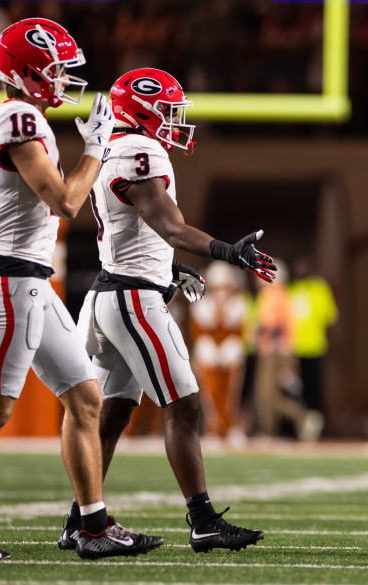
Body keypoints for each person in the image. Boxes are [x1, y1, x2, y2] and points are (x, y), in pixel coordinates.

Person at [57, 67, 275, 554]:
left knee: (111, 415)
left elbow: (137, 232)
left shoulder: (113, 149)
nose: (174, 122)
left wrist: (171, 268)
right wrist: (227, 251)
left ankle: (80, 520)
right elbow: (170, 226)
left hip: (116, 292)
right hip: (134, 300)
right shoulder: (140, 150)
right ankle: (202, 521)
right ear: (143, 110)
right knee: (184, 405)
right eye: (168, 111)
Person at [0, 18, 163, 560]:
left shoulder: (18, 118)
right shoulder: (19, 118)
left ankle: (92, 526)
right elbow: (66, 202)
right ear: (27, 73)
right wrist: (97, 151)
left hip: (32, 281)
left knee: (85, 398)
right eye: (54, 70)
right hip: (10, 283)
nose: (62, 79)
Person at [253, 260, 324, 441]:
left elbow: (275, 326)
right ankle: (294, 420)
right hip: (279, 351)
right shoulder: (279, 294)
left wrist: (260, 331)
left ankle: (295, 420)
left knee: (266, 395)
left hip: (275, 352)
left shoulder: (274, 295)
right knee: (271, 395)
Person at [189, 262, 249, 441]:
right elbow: (198, 333)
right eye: (217, 288)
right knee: (209, 394)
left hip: (230, 354)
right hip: (208, 354)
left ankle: (230, 426)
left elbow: (239, 333)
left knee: (231, 393)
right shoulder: (200, 305)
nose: (221, 292)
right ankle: (213, 427)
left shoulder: (239, 304)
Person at [287, 255, 338, 415]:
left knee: (315, 387)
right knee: (292, 388)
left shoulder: (319, 288)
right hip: (292, 348)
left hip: (314, 346)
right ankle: (295, 425)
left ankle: (317, 421)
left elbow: (330, 317)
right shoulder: (289, 291)